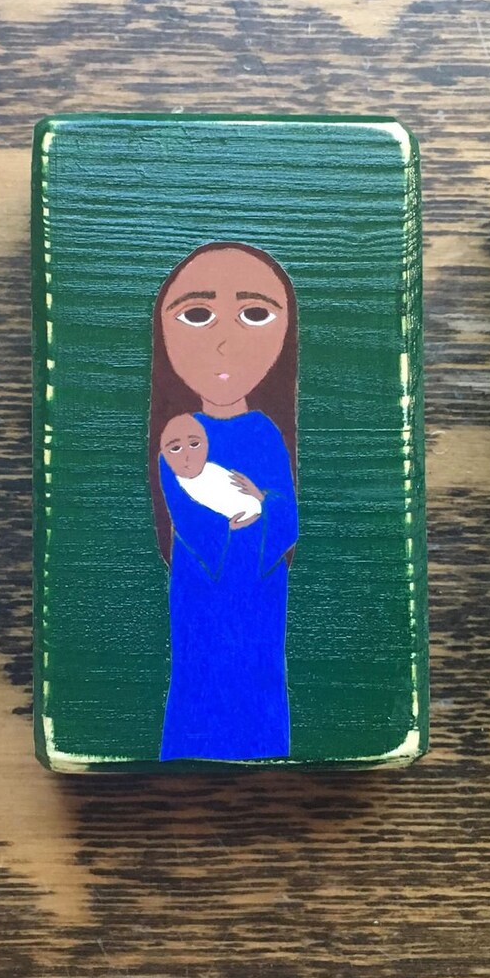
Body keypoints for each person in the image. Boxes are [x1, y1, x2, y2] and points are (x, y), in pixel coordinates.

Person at [148, 242, 299, 761]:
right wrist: (221, 529)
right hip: (202, 575)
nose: (224, 342)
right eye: (197, 315)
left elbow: (285, 508)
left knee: (260, 666)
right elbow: (181, 502)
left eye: (255, 314)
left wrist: (264, 507)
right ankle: (191, 749)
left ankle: (265, 748)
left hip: (260, 578)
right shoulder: (179, 433)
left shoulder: (265, 431)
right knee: (200, 667)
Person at [158, 412, 263, 523]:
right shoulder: (176, 488)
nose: (187, 455)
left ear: (206, 445)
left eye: (194, 444)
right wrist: (230, 528)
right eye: (176, 448)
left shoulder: (214, 470)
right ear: (164, 455)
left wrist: (260, 497)